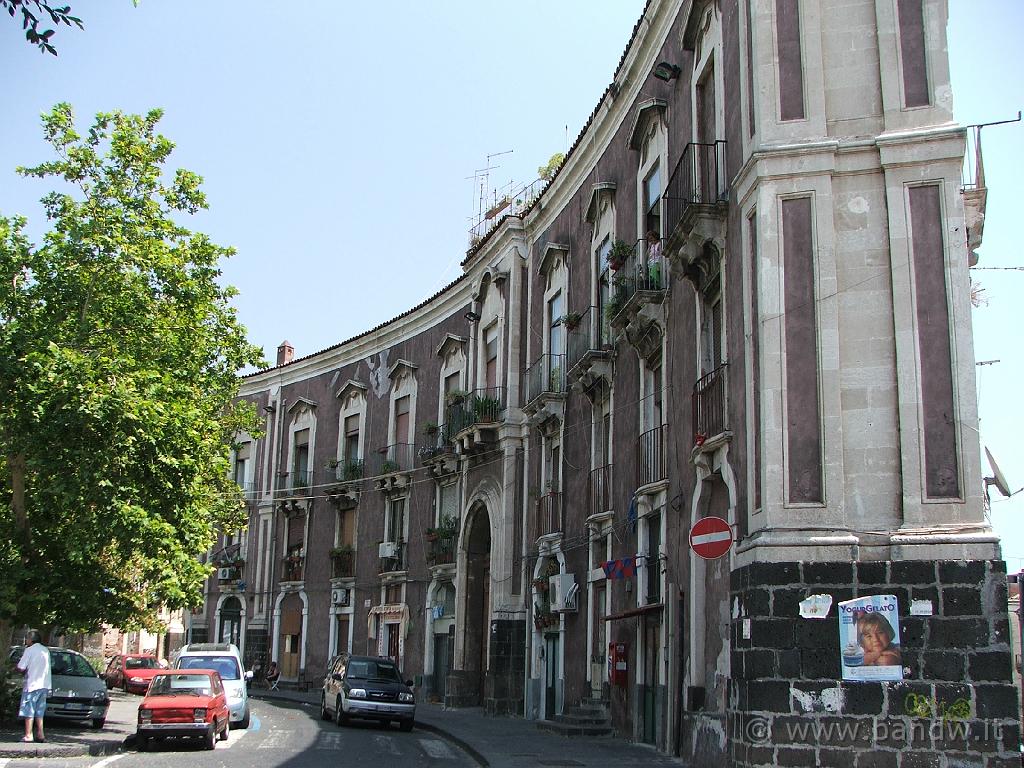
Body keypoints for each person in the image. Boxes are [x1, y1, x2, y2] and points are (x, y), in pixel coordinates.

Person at [15, 629, 51, 743]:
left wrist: (15, 669)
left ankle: (28, 734)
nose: (26, 641)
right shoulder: (45, 650)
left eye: (27, 638)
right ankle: (40, 734)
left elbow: (21, 667)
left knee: (29, 710)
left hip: (32, 684)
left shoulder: (29, 650)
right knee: (39, 711)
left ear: (31, 639)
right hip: (44, 684)